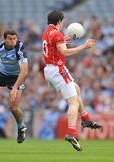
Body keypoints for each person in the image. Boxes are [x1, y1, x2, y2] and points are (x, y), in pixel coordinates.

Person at [42, 10, 102, 151]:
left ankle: (86, 119)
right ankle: (71, 133)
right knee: (73, 102)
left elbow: (53, 47)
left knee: (76, 88)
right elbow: (65, 52)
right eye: (62, 21)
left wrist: (63, 41)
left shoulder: (47, 32)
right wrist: (84, 46)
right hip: (57, 69)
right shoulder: (56, 33)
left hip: (49, 69)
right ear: (59, 21)